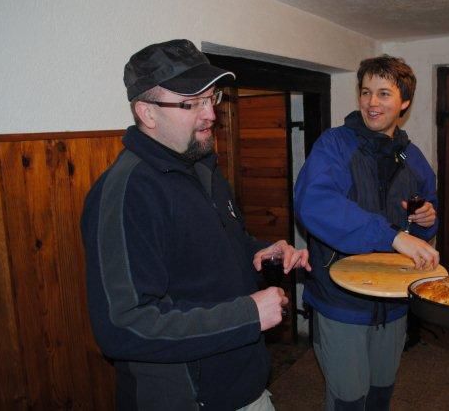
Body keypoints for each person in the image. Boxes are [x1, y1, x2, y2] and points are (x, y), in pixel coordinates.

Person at [80, 39, 310, 411]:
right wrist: (247, 315)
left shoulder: (202, 166)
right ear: (147, 113)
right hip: (191, 398)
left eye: (212, 98)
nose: (210, 115)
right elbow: (123, 326)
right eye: (192, 103)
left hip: (244, 381)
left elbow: (219, 245)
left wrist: (258, 251)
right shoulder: (126, 194)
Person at [294, 54, 440, 410]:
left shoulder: (413, 157)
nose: (372, 102)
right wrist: (391, 235)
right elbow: (315, 203)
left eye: (384, 93)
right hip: (340, 301)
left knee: (380, 395)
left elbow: (427, 215)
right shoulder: (334, 145)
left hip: (393, 300)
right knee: (348, 400)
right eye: (365, 92)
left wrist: (426, 220)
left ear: (404, 102)